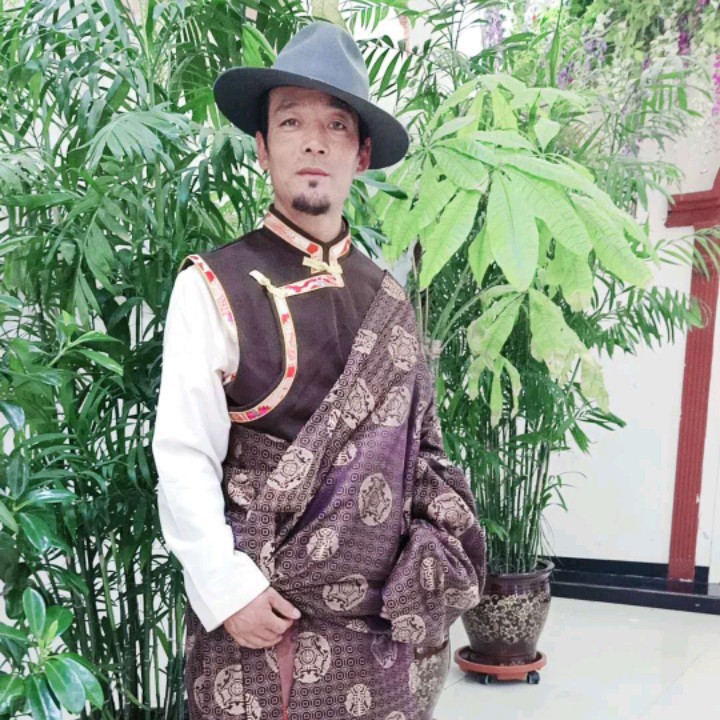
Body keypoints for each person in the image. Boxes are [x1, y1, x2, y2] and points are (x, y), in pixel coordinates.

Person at [152, 21, 486, 720]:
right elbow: (183, 454)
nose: (314, 141)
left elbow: (424, 457)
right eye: (292, 121)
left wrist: (430, 570)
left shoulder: (390, 300)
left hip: (380, 635)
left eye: (336, 125)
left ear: (360, 155)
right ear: (262, 147)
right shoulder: (215, 283)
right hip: (263, 620)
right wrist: (225, 588)